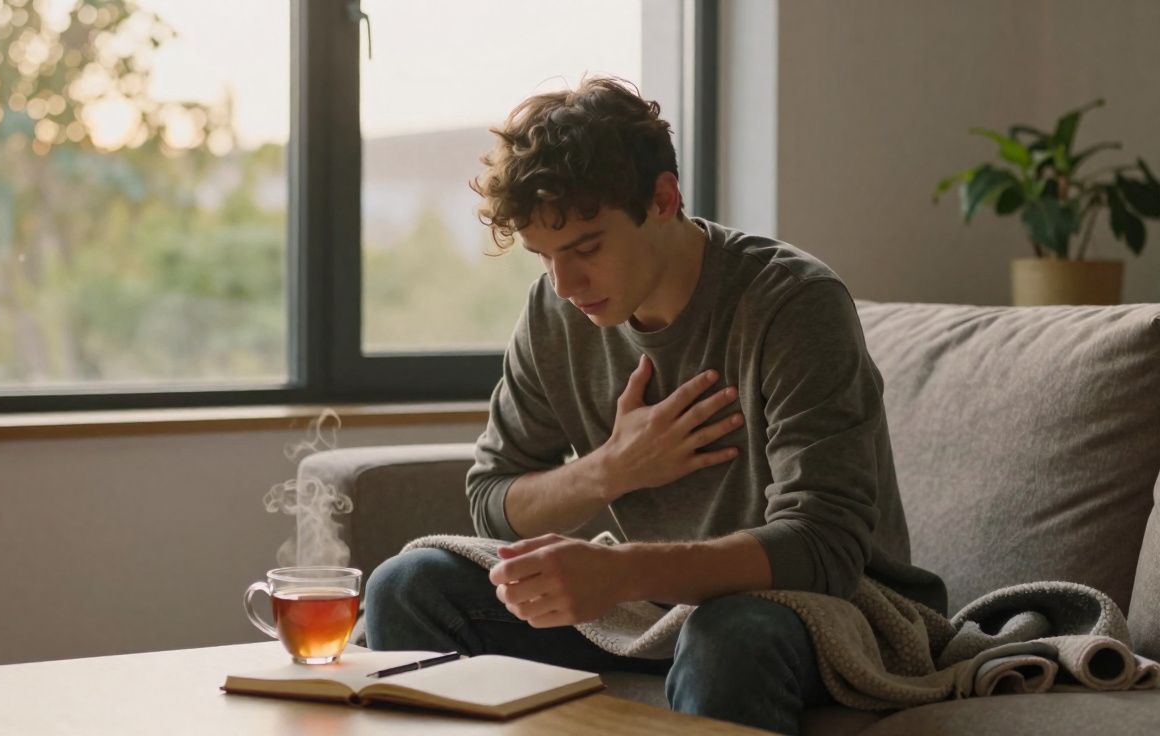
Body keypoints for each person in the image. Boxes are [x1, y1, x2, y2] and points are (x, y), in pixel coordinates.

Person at [363, 76, 946, 735]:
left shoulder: (792, 303)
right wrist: (610, 470)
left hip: (829, 607)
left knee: (727, 635)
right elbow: (493, 499)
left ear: (664, 199)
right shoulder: (555, 312)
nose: (565, 283)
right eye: (542, 256)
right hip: (656, 604)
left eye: (586, 248)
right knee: (408, 586)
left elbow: (825, 547)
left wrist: (621, 573)